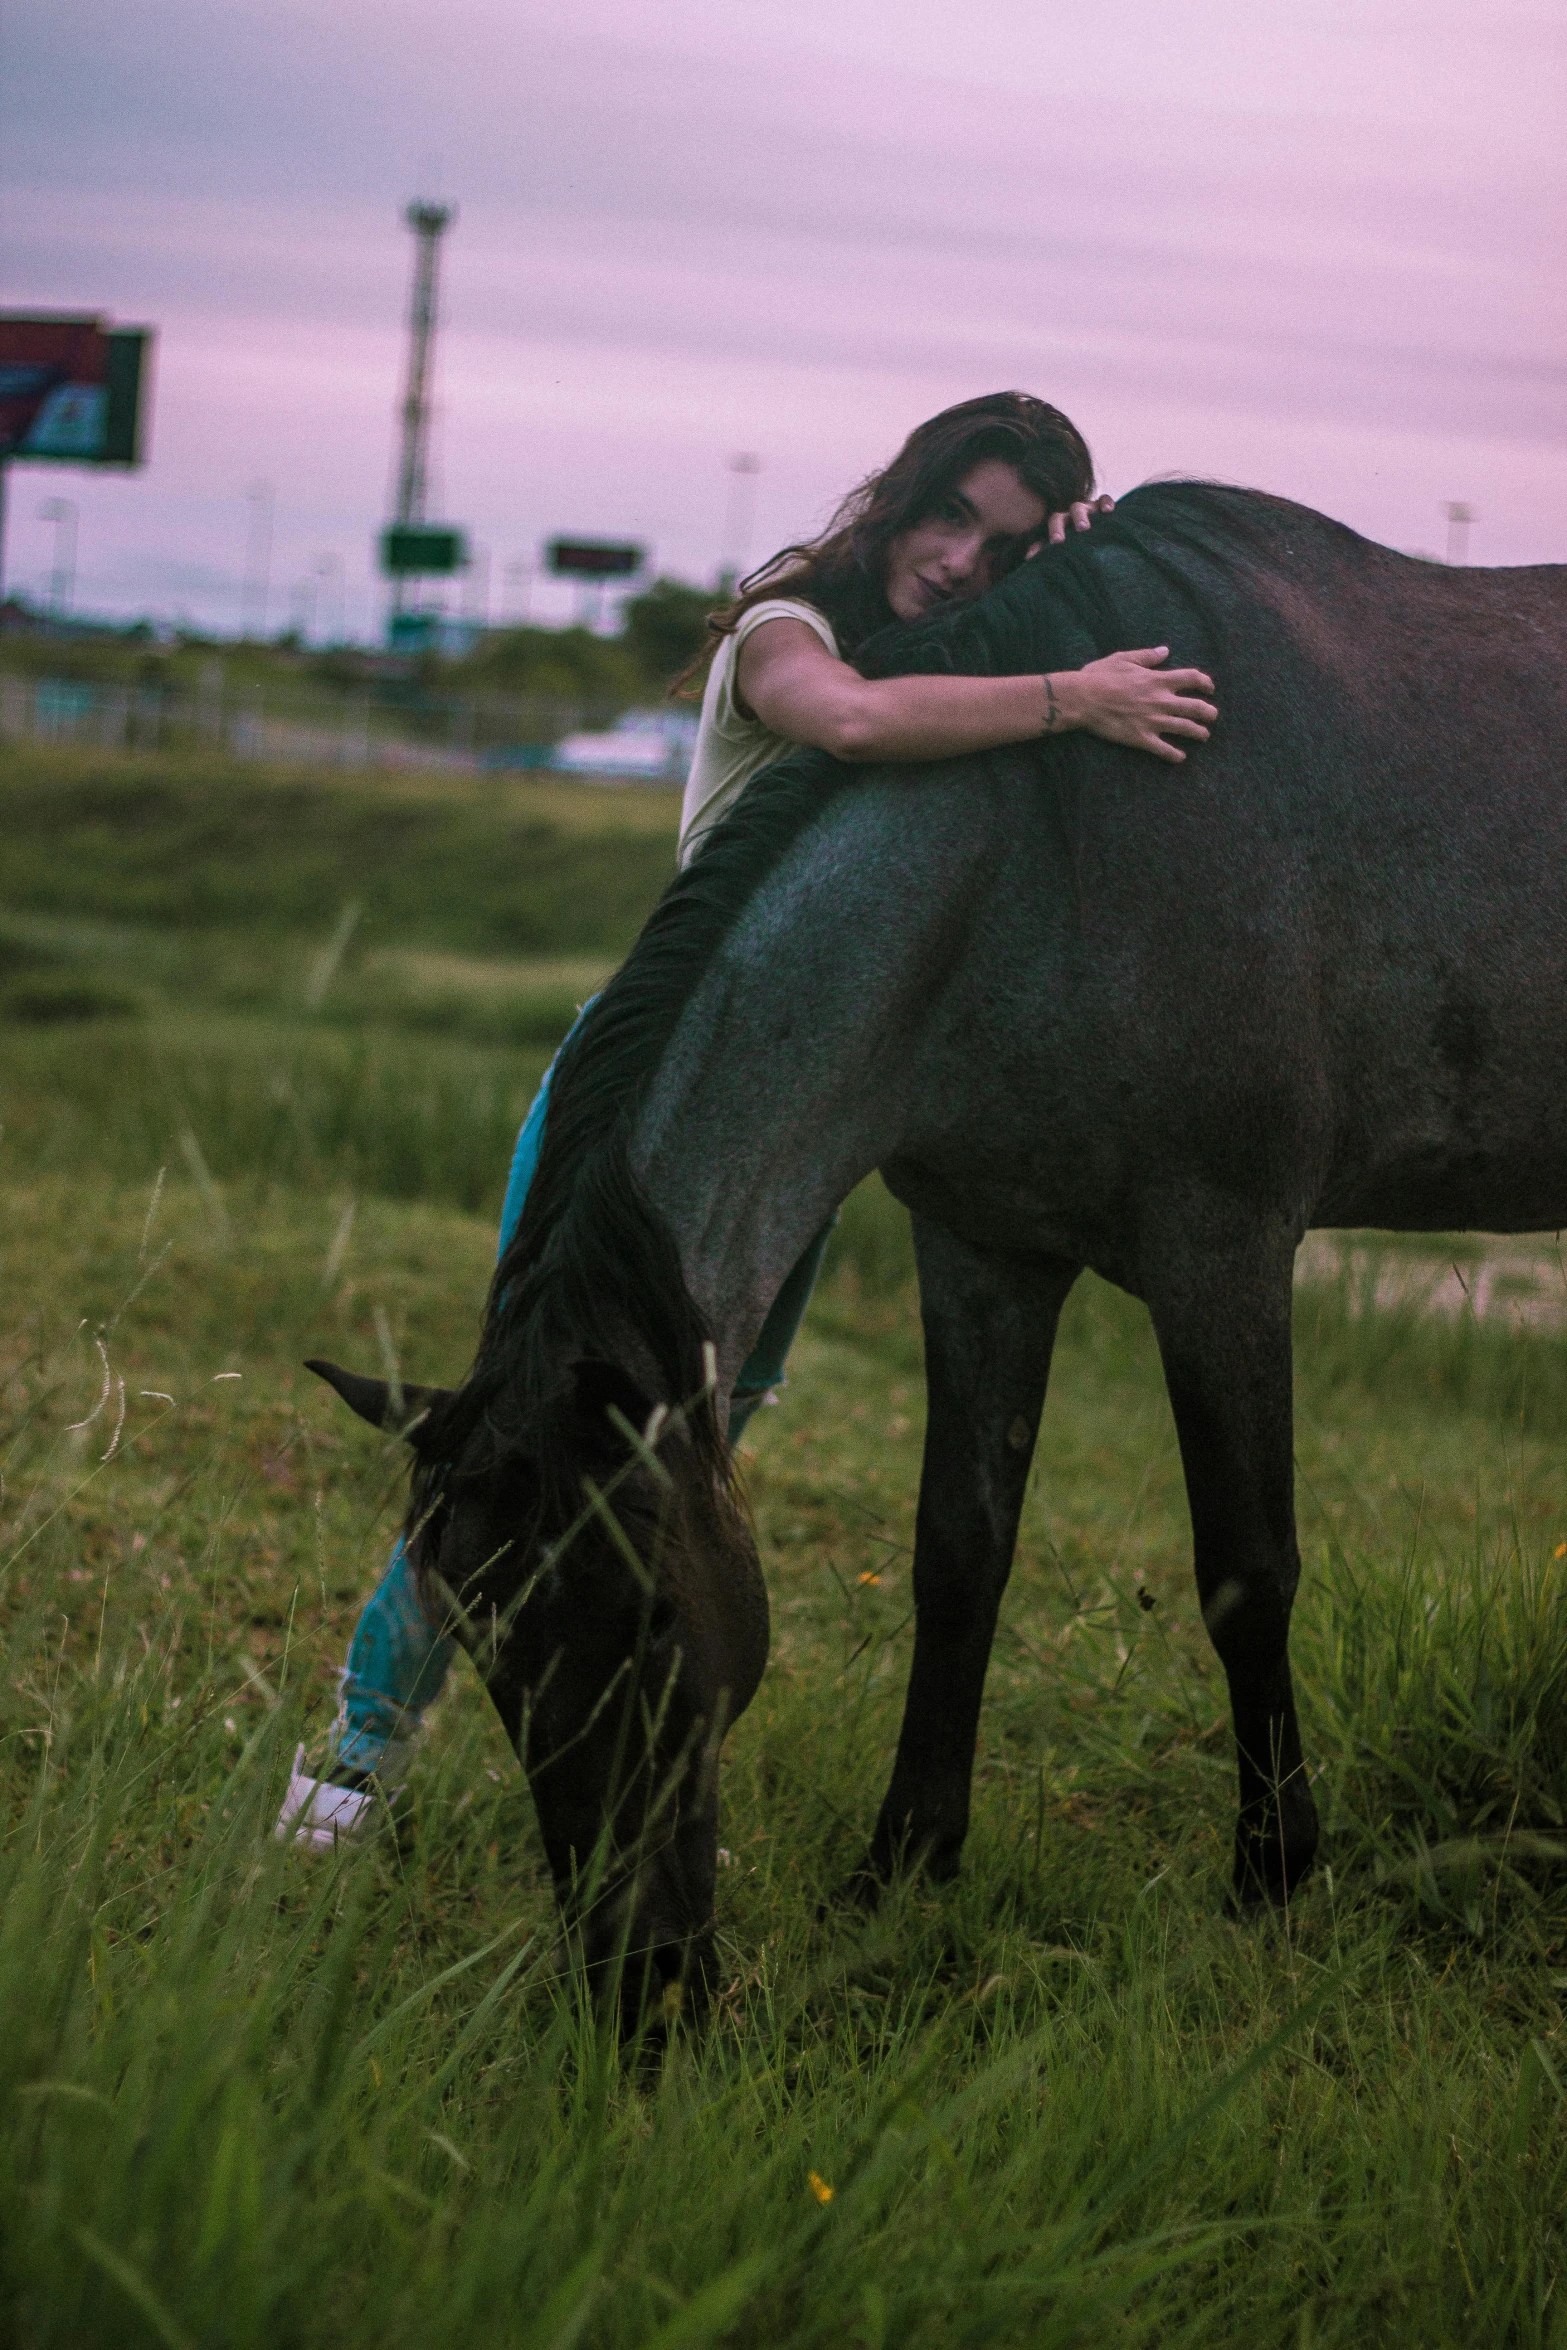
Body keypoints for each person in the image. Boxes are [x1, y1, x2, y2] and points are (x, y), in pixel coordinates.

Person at [276, 391, 1217, 1847]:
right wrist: (1072, 693)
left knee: (686, 1466)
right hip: (642, 1097)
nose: (964, 560)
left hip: (800, 1119)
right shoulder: (787, 620)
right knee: (530, 1430)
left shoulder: (963, 649)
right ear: (896, 499)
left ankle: (647, 1756)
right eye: (948, 515)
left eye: (1008, 540)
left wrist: (1089, 569)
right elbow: (843, 721)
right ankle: (351, 1757)